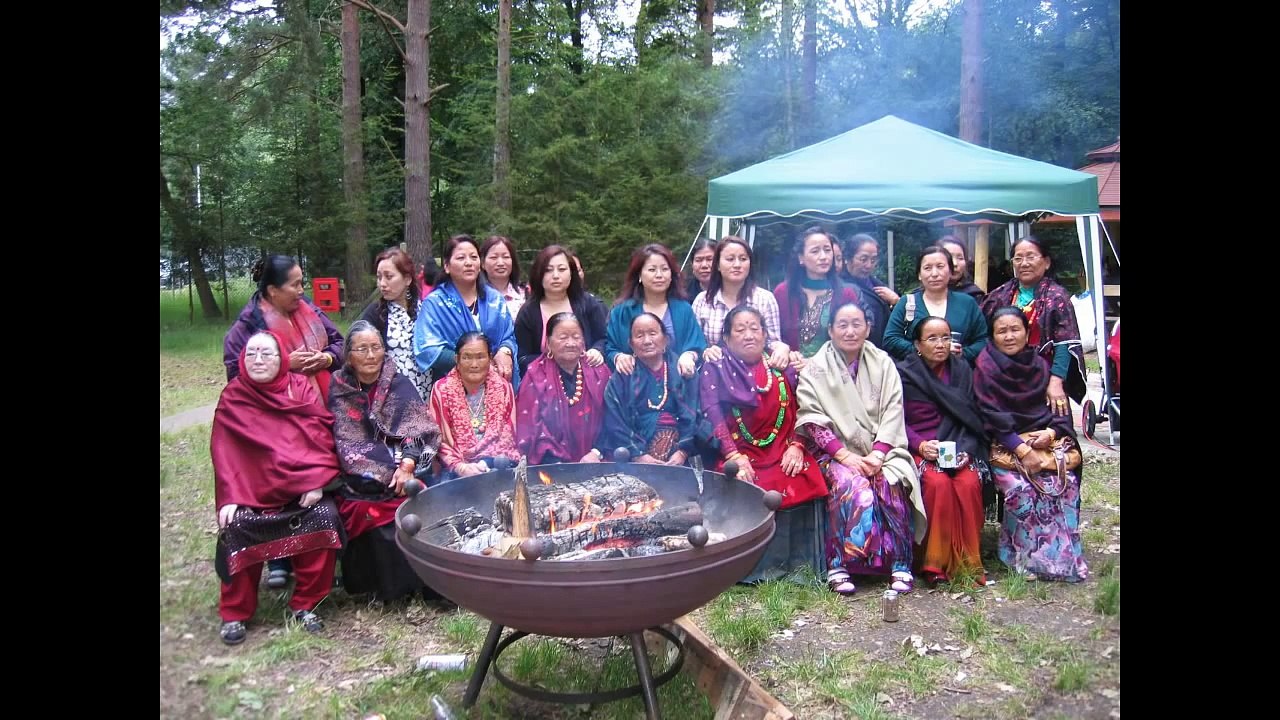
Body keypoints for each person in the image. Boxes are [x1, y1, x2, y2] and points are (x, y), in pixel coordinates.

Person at [211, 332, 344, 645]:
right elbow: (224, 452)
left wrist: (315, 481)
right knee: (236, 524)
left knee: (324, 514)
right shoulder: (234, 396)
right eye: (251, 354)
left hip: (298, 488)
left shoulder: (297, 387)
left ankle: (306, 603)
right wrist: (230, 498)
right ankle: (235, 612)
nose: (258, 360)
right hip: (250, 493)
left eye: (266, 354)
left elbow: (318, 436)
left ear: (281, 359)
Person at [795, 303, 924, 596]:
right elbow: (811, 419)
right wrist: (845, 456)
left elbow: (893, 410)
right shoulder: (815, 368)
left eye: (857, 324)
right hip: (833, 453)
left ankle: (900, 564)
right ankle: (840, 564)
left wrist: (878, 454)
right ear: (830, 330)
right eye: (842, 324)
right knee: (852, 487)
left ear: (868, 327)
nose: (850, 331)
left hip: (883, 450)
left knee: (892, 484)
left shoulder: (883, 363)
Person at [974, 308, 1089, 582]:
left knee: (1065, 484)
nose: (1009, 336)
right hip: (1005, 448)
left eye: (1016, 329)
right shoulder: (985, 366)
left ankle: (1062, 557)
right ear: (992, 335)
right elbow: (989, 414)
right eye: (1002, 331)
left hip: (1044, 444)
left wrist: (1050, 433)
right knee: (1021, 489)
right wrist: (1022, 449)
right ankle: (1021, 556)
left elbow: (1058, 409)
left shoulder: (1039, 366)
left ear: (1027, 332)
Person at [328, 321, 441, 601]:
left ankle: (426, 585)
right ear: (349, 355)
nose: (370, 355)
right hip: (362, 474)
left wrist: (406, 465)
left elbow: (418, 429)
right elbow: (348, 439)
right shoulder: (341, 387)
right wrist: (381, 471)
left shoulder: (398, 382)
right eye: (362, 349)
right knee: (367, 498)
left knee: (419, 500)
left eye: (376, 347)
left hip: (403, 466)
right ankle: (379, 588)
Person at [897, 316, 990, 585]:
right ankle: (933, 562)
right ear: (917, 344)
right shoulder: (904, 374)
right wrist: (920, 445)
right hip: (921, 445)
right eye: (933, 338)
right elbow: (895, 419)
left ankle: (968, 562)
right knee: (937, 483)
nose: (941, 344)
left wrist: (967, 452)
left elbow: (973, 417)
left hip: (958, 444)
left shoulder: (963, 371)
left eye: (946, 337)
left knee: (969, 482)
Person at [980, 236, 1088, 411]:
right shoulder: (1000, 295)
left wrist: (1056, 381)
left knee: (1053, 429)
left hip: (1042, 375)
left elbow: (1065, 343)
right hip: (1002, 373)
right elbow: (981, 332)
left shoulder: (1057, 297)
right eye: (1018, 258)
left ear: (1046, 262)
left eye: (1031, 257)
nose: (1024, 263)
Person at [224, 254, 343, 400]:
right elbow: (237, 380)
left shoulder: (308, 308)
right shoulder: (248, 325)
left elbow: (341, 343)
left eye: (301, 283)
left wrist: (327, 358)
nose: (301, 290)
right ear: (273, 290)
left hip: (328, 400)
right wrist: (282, 364)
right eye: (295, 285)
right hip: (278, 411)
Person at [414, 234, 518, 385]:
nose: (468, 263)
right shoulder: (435, 303)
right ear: (447, 266)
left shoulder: (495, 299)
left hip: (496, 385)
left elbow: (508, 335)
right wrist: (474, 362)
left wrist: (505, 351)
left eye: (473, 257)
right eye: (461, 258)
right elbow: (427, 349)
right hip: (453, 387)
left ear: (480, 264)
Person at [599, 313, 700, 465]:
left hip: (683, 458)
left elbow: (696, 413)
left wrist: (683, 452)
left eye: (653, 333)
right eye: (639, 336)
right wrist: (639, 456)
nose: (647, 341)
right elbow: (615, 421)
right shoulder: (622, 378)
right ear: (631, 344)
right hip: (633, 460)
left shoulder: (682, 371)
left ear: (665, 339)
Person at [516, 312, 612, 464]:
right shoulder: (535, 375)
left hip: (598, 459)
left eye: (576, 337)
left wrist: (596, 452)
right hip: (551, 464)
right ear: (548, 342)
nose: (570, 343)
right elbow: (531, 427)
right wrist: (556, 461)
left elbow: (614, 417)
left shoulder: (599, 371)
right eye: (563, 337)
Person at [605, 244, 707, 378]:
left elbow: (697, 346)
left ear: (671, 275)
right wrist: (618, 357)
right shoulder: (622, 312)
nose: (659, 275)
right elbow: (609, 348)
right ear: (639, 275)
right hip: (633, 388)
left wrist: (688, 356)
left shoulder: (684, 309)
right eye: (652, 270)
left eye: (665, 269)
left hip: (678, 387)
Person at [428, 333, 520, 479]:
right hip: (454, 469)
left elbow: (508, 435)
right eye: (467, 357)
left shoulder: (503, 388)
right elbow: (437, 439)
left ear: (490, 358)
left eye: (480, 357)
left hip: (496, 464)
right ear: (456, 359)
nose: (474, 364)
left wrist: (485, 462)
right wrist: (460, 467)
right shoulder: (441, 390)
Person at [691, 236, 791, 368]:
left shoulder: (765, 299)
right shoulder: (703, 300)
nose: (737, 265)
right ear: (718, 265)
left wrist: (782, 348)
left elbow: (772, 342)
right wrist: (706, 351)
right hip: (715, 376)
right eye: (730, 259)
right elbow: (696, 346)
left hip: (755, 376)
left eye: (743, 259)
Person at [514, 245, 608, 377]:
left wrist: (598, 351)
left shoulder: (588, 304)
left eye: (562, 269)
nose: (556, 276)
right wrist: (553, 363)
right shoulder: (528, 312)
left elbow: (604, 338)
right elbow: (522, 357)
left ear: (571, 273)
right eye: (548, 270)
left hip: (588, 377)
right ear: (539, 274)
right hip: (544, 383)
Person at [773, 227, 866, 360]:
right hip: (790, 371)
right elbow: (773, 337)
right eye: (815, 251)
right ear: (801, 258)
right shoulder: (783, 292)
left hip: (833, 373)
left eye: (827, 250)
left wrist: (816, 364)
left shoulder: (846, 294)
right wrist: (787, 353)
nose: (823, 257)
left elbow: (853, 340)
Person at [883, 246, 988, 364]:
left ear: (950, 271)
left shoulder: (967, 303)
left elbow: (983, 340)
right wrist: (923, 352)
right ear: (919, 274)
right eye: (927, 268)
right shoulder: (907, 302)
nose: (934, 274)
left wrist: (962, 353)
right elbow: (890, 339)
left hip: (958, 375)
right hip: (915, 375)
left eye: (940, 266)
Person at [359, 247, 432, 400]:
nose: (382, 284)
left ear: (407, 279)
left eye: (389, 277)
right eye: (379, 277)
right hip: (393, 400)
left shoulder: (425, 308)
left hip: (428, 395)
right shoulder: (376, 314)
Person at [843, 234, 897, 347]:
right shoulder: (842, 288)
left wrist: (896, 302)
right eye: (863, 259)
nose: (868, 265)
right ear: (848, 258)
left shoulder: (878, 285)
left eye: (873, 260)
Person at [481, 235, 529, 320]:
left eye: (506, 257)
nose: (500, 263)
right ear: (482, 264)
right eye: (494, 257)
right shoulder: (476, 296)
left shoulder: (525, 295)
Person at [937, 235, 985, 303]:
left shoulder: (974, 295)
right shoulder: (921, 295)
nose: (955, 263)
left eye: (960, 258)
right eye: (949, 257)